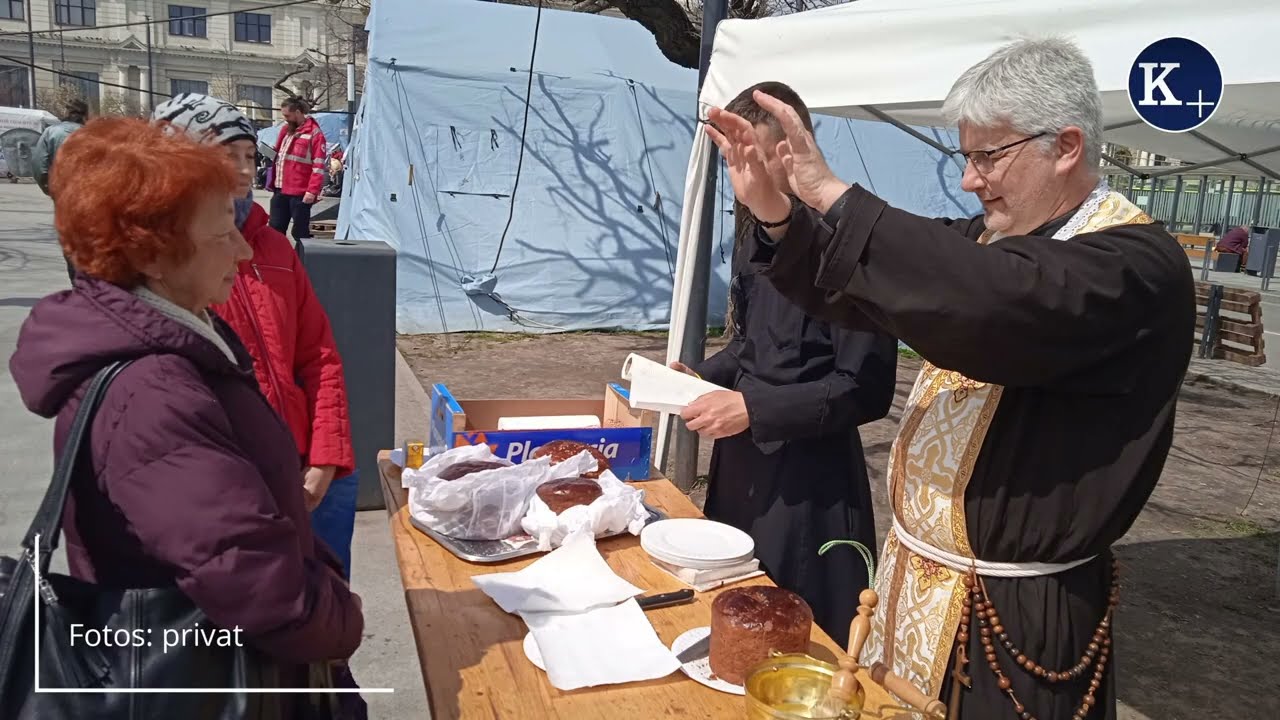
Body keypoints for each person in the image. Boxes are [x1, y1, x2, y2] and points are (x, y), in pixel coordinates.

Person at [704, 37, 1194, 720]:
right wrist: (779, 216)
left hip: (1014, 616)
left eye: (988, 156)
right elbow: (866, 285)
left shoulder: (1136, 264)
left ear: (1066, 146)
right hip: (917, 587)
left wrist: (828, 193)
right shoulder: (990, 240)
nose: (969, 180)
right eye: (965, 157)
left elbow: (997, 299)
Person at [8, 117, 364, 712]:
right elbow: (255, 585)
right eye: (223, 232)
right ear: (152, 253)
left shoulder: (185, 336)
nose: (243, 249)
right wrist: (341, 614)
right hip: (219, 679)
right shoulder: (152, 394)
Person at [671, 81, 896, 649]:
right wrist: (701, 377)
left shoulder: (853, 244)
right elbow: (753, 346)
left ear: (794, 147)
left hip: (809, 483)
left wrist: (755, 408)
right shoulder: (755, 241)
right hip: (740, 466)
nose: (746, 175)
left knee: (795, 634)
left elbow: (864, 388)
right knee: (732, 607)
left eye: (755, 157)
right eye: (734, 160)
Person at [151, 93, 359, 579]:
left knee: (329, 599)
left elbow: (320, 356)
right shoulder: (164, 263)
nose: (245, 171)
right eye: (227, 156)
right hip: (236, 485)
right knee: (260, 609)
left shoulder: (274, 248)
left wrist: (327, 458)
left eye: (250, 156)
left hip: (311, 468)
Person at [31, 98, 88, 282]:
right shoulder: (92, 135)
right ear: (85, 115)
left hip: (64, 196)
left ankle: (78, 283)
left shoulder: (51, 133)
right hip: (92, 196)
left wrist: (50, 189)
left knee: (70, 241)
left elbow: (39, 167)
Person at [270, 97, 327, 254]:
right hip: (280, 189)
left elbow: (318, 166)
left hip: (300, 193)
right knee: (274, 230)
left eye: (287, 115)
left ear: (297, 112)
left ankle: (301, 261)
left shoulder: (315, 134)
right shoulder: (285, 130)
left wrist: (312, 191)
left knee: (300, 232)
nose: (285, 119)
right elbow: (278, 156)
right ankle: (276, 259)